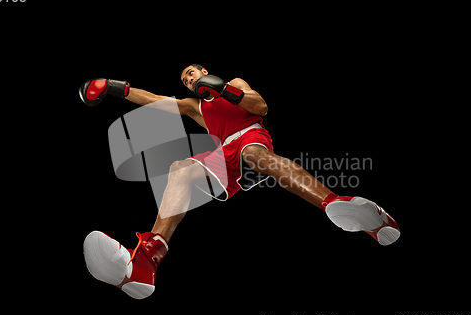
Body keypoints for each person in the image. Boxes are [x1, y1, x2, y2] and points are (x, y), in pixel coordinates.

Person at [79, 64, 400, 299]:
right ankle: (147, 262)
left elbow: (260, 106)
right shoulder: (194, 106)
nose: (190, 79)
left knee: (255, 156)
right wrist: (114, 87)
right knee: (180, 169)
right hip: (222, 154)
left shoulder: (232, 83)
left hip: (249, 137)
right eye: (186, 79)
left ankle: (336, 203)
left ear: (204, 70)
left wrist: (224, 89)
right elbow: (155, 100)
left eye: (192, 73)